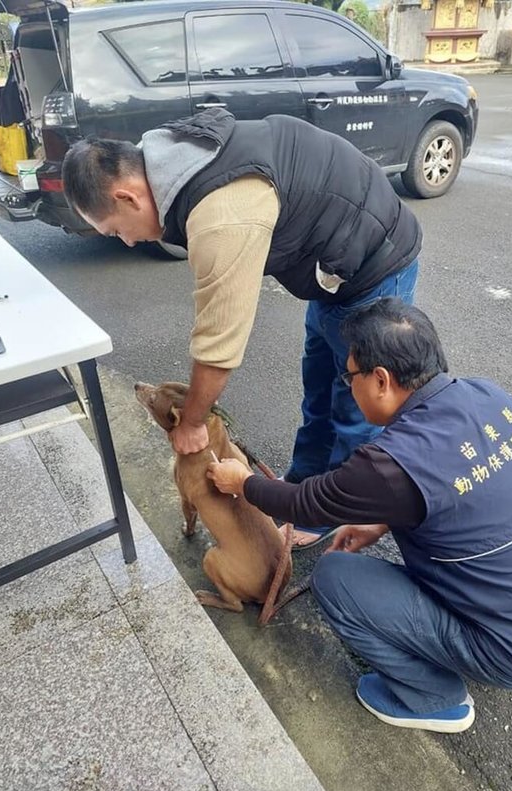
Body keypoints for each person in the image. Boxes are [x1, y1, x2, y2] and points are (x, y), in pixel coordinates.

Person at [207, 297, 512, 734]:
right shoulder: (489, 396)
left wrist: (242, 483)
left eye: (349, 376)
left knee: (335, 577)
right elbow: (473, 488)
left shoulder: (389, 462)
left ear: (382, 380)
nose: (348, 385)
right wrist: (384, 518)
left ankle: (434, 698)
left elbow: (303, 503)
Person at [61, 109, 421, 546]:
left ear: (128, 197)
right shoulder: (172, 152)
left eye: (116, 230)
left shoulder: (221, 212)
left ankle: (336, 515)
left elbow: (219, 342)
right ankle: (303, 486)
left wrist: (192, 423)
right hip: (333, 264)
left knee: (356, 408)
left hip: (375, 259)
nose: (129, 241)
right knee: (321, 388)